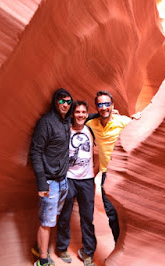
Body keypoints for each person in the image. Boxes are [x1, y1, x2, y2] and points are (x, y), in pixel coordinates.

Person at [86, 90, 141, 243]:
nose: (104, 108)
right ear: (96, 107)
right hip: (106, 175)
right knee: (111, 214)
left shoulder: (122, 121)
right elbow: (78, 118)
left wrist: (138, 119)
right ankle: (119, 246)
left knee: (129, 214)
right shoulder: (92, 123)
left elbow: (140, 130)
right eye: (100, 105)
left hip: (124, 174)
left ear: (112, 105)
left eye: (107, 104)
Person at [30, 88, 73, 266]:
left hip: (62, 181)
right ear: (56, 102)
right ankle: (42, 260)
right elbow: (35, 152)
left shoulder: (65, 122)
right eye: (62, 101)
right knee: (47, 222)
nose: (65, 105)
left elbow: (83, 116)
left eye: (68, 102)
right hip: (49, 182)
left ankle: (39, 247)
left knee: (51, 218)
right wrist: (42, 183)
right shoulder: (46, 122)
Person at [56, 101, 97, 266]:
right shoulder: (66, 130)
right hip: (69, 179)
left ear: (87, 114)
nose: (80, 115)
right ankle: (62, 247)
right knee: (65, 215)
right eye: (77, 112)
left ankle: (88, 252)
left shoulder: (90, 129)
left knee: (87, 217)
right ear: (72, 114)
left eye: (83, 112)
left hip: (87, 180)